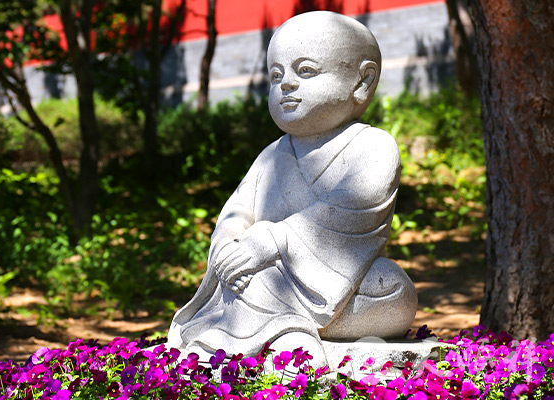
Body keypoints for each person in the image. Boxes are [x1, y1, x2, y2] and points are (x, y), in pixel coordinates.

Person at [168, 11, 417, 366]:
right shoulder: (271, 155)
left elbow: (356, 208)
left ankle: (259, 333)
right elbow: (237, 212)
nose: (286, 84)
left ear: (362, 81)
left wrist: (274, 241)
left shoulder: (373, 147)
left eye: (306, 71)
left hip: (324, 284)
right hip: (254, 273)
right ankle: (290, 341)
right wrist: (228, 245)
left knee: (393, 289)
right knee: (252, 278)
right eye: (276, 75)